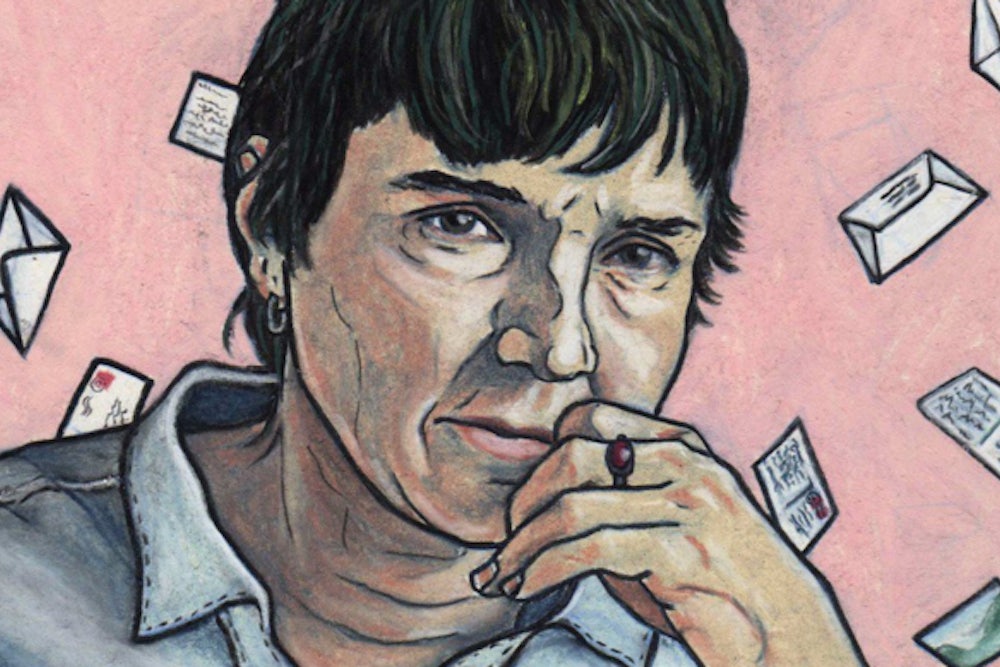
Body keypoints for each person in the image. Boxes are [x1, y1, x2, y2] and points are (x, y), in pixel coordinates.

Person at [0, 1, 867, 665]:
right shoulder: (22, 583)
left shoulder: (721, 641)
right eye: (462, 225)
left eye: (636, 254)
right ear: (273, 226)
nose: (561, 347)